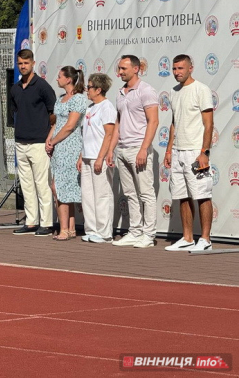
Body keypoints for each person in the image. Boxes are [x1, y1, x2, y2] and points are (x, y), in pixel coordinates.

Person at [107, 55, 159, 248]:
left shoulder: (146, 90)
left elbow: (153, 121)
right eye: (119, 68)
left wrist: (144, 149)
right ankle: (135, 231)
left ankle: (148, 234)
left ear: (136, 69)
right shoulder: (120, 92)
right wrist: (111, 149)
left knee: (146, 193)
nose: (119, 72)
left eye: (123, 69)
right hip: (122, 149)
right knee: (130, 193)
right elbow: (118, 123)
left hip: (139, 147)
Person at [164, 54, 214, 251]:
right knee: (182, 195)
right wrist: (169, 150)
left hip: (195, 150)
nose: (177, 73)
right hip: (178, 151)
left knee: (202, 194)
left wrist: (204, 152)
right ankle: (187, 238)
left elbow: (208, 124)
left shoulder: (201, 89)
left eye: (180, 69)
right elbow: (174, 123)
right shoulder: (174, 91)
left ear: (190, 68)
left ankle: (206, 239)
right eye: (174, 69)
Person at [10, 49, 57, 236]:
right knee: (26, 185)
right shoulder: (14, 88)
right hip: (20, 142)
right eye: (20, 63)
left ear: (33, 63)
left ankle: (46, 223)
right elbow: (14, 113)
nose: (23, 66)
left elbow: (53, 113)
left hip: (39, 142)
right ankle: (31, 222)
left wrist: (48, 136)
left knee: (41, 184)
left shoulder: (42, 86)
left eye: (26, 63)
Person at [46, 66, 86, 240]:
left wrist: (54, 141)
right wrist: (49, 140)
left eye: (60, 76)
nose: (57, 79)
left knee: (60, 186)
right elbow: (56, 123)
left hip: (70, 146)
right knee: (62, 186)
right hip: (58, 147)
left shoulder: (78, 99)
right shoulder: (60, 99)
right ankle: (70, 228)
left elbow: (70, 126)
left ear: (68, 79)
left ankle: (63, 229)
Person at [76, 73, 116, 243]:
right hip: (86, 157)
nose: (87, 90)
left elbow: (109, 134)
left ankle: (104, 232)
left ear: (99, 89)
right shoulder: (90, 108)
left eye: (90, 87)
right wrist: (81, 156)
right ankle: (91, 229)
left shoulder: (107, 107)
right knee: (88, 196)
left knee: (102, 195)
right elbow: (85, 135)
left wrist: (101, 157)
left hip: (99, 157)